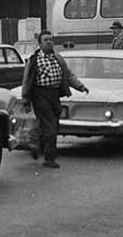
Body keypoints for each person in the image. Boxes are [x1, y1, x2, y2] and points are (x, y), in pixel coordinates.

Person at [20, 30, 88, 169]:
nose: (49, 42)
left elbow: (68, 75)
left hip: (55, 95)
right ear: (40, 44)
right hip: (40, 95)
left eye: (51, 40)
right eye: (46, 40)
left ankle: (35, 144)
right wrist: (26, 100)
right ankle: (49, 159)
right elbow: (26, 80)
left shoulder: (58, 58)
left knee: (53, 126)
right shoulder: (34, 60)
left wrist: (79, 86)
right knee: (50, 126)